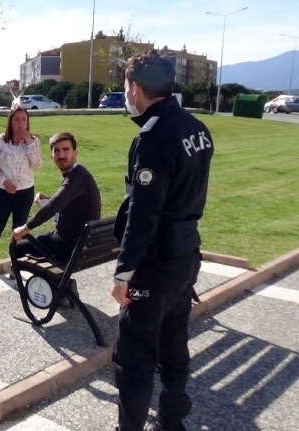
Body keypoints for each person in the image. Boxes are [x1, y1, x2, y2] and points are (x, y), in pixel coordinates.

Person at [110, 50, 214, 431]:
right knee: (173, 345)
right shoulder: (197, 129)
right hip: (187, 254)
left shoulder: (152, 137)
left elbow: (145, 212)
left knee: (135, 357)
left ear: (136, 89)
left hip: (156, 265)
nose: (125, 95)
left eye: (125, 87)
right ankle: (171, 422)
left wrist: (124, 273)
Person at [11, 132, 101, 262]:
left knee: (16, 247)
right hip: (81, 244)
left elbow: (55, 204)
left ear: (75, 153)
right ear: (51, 156)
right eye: (56, 151)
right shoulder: (78, 175)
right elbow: (64, 204)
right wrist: (46, 199)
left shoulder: (78, 176)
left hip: (69, 247)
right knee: (41, 239)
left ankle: (21, 280)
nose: (61, 155)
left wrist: (25, 228)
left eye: (66, 149)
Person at [0, 105, 42, 265]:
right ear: (10, 122)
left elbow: (37, 164)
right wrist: (4, 181)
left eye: (24, 119)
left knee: (19, 228)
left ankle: (15, 262)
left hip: (25, 192)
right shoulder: (1, 140)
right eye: (17, 119)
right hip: (4, 191)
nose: (21, 123)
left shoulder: (34, 142)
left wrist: (30, 143)